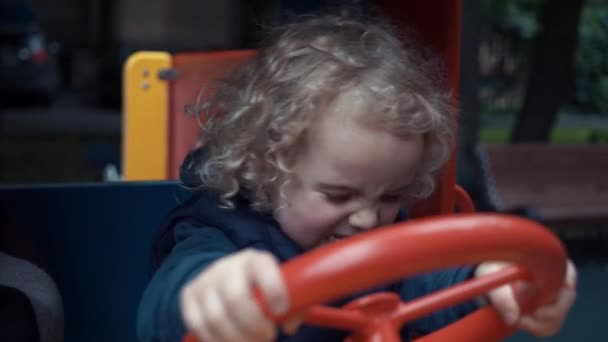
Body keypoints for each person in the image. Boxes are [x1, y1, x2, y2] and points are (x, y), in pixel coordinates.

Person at [137, 14, 577, 342]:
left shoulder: (384, 239)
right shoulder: (219, 236)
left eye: (391, 195)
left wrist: (488, 280)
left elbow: (428, 278)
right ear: (265, 168)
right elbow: (163, 309)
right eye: (338, 195)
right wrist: (213, 294)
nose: (367, 220)